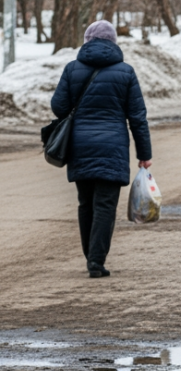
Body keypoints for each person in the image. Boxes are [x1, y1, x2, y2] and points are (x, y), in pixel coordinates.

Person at [50, 20, 152, 279]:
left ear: (86, 41)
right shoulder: (125, 72)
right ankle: (96, 260)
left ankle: (91, 256)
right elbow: (137, 117)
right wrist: (144, 154)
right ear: (113, 42)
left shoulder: (72, 69)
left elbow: (59, 107)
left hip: (79, 147)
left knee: (86, 203)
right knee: (105, 205)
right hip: (113, 148)